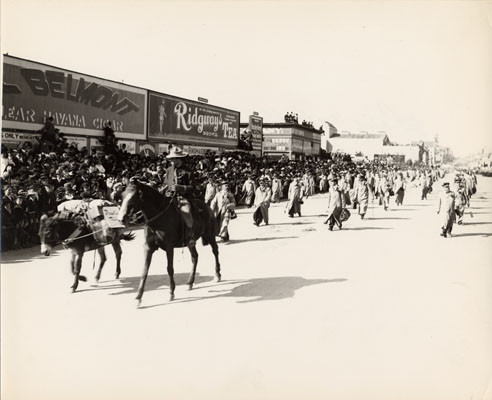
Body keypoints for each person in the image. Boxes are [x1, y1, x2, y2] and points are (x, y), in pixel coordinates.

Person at [164, 146, 195, 244]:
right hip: (169, 197)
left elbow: (193, 187)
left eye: (173, 158)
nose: (171, 160)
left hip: (183, 198)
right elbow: (166, 184)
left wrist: (180, 188)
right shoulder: (169, 170)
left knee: (186, 212)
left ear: (179, 158)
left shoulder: (188, 171)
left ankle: (190, 237)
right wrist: (164, 189)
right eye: (170, 158)